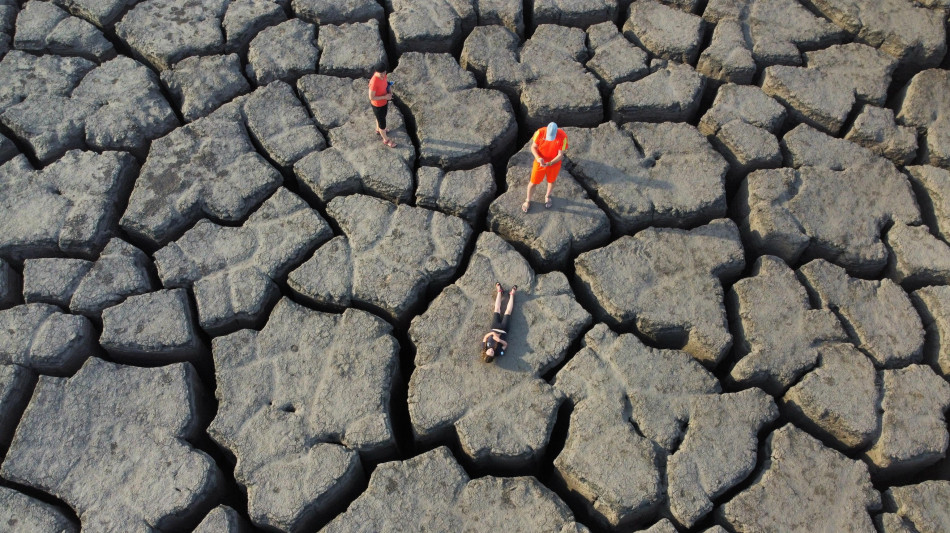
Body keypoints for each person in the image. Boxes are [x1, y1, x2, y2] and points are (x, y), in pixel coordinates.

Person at [523, 122, 568, 213]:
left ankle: (547, 196)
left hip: (554, 164)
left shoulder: (563, 137)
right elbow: (533, 147)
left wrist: (550, 163)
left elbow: (560, 155)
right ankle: (527, 200)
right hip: (539, 162)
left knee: (551, 181)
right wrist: (538, 158)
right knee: (533, 182)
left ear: (556, 132)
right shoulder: (539, 132)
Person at [482, 283, 517, 363]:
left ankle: (499, 291)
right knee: (508, 312)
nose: (491, 350)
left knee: (497, 309)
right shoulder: (499, 353)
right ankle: (512, 295)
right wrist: (499, 340)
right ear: (493, 355)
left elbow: (485, 337)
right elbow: (505, 345)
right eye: (492, 353)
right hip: (504, 329)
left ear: (485, 352)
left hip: (494, 327)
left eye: (489, 351)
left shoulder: (484, 347)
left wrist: (493, 334)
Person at [368, 62, 396, 148]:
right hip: (378, 106)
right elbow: (371, 97)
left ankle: (378, 129)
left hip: (384, 102)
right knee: (382, 123)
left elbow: (386, 83)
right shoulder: (374, 82)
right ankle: (386, 140)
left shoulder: (384, 75)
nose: (383, 75)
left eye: (384, 72)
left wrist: (389, 91)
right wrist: (385, 97)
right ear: (376, 72)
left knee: (381, 118)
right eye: (381, 74)